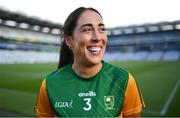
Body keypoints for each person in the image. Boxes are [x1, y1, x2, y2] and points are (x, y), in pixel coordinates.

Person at [35, 7, 145, 117]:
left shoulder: (124, 80)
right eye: (87, 29)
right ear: (69, 40)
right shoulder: (50, 84)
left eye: (101, 29)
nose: (97, 37)